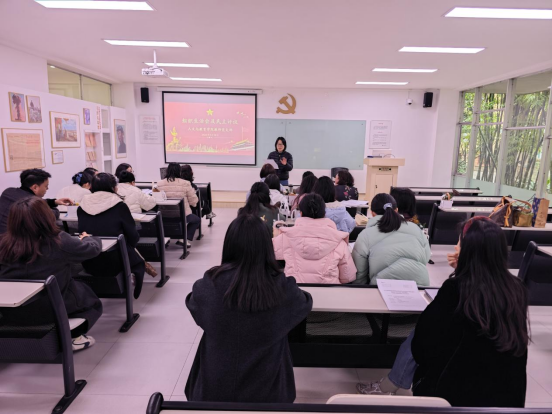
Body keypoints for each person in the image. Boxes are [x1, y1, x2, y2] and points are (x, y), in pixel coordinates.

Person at [357, 217, 528, 408]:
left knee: (419, 334)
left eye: (459, 243)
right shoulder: (516, 289)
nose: (455, 247)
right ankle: (392, 383)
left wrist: (460, 275)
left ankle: (392, 383)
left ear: (470, 251)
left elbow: (422, 344)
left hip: (455, 397)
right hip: (509, 397)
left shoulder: (456, 289)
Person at [185, 214, 313, 402]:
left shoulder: (209, 286)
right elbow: (305, 302)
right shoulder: (283, 289)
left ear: (229, 246)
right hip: (270, 396)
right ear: (267, 247)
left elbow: (193, 301)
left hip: (211, 394)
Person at [0, 197, 103, 351]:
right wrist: (89, 238)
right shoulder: (59, 241)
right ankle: (73, 336)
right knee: (90, 298)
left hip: (10, 314)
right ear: (46, 216)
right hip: (51, 311)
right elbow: (92, 249)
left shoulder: (4, 243)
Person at [77, 173, 146, 299]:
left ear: (91, 187)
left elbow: (82, 231)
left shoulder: (81, 207)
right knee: (138, 262)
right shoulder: (119, 206)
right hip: (117, 259)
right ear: (114, 187)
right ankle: (130, 286)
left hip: (89, 258)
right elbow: (132, 235)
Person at [273, 194, 356, 284]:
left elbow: (268, 261)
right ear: (324, 213)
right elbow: (348, 277)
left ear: (300, 213)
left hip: (295, 290)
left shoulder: (286, 237)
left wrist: (276, 237)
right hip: (330, 291)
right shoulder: (339, 240)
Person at [352, 193, 430, 286]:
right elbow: (425, 257)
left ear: (372, 213)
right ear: (396, 210)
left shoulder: (365, 235)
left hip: (381, 286)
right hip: (419, 285)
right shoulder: (416, 229)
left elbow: (360, 274)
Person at [0, 169, 73, 234]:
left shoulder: (8, 192)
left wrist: (54, 202)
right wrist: (55, 209)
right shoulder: (32, 205)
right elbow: (52, 215)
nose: (47, 188)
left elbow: (29, 199)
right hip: (14, 242)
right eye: (46, 186)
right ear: (35, 187)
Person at [157, 162, 200, 248]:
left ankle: (165, 238)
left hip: (164, 214)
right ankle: (184, 239)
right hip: (182, 215)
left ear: (167, 171)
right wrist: (193, 204)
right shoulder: (186, 183)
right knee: (196, 220)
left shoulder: (159, 183)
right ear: (179, 171)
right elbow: (194, 201)